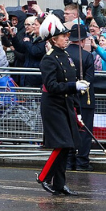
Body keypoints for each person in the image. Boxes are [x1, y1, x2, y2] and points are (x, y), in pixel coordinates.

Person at [36, 15, 88, 196]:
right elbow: (52, 86)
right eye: (63, 36)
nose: (67, 38)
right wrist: (74, 86)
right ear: (53, 39)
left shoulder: (66, 56)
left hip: (66, 104)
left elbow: (69, 84)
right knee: (63, 143)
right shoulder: (48, 59)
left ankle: (59, 184)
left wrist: (77, 111)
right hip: (53, 106)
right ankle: (44, 177)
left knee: (69, 145)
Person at [65, 24, 96, 172]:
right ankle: (82, 161)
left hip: (68, 97)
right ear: (83, 40)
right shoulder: (88, 56)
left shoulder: (63, 55)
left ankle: (69, 161)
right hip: (84, 99)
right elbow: (90, 79)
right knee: (85, 130)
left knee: (70, 129)